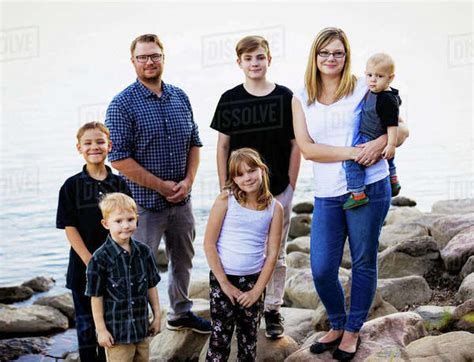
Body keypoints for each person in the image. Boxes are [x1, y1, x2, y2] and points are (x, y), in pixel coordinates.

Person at [292, 28, 409, 361]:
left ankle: (354, 328)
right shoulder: (300, 96)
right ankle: (338, 322)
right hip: (329, 193)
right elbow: (307, 149)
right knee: (322, 267)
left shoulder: (364, 86)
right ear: (315, 56)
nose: (331, 58)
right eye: (325, 52)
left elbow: (403, 129)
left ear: (347, 56)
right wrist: (353, 152)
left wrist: (379, 144)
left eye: (338, 53)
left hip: (370, 186)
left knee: (363, 260)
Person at [105, 34, 211, 333]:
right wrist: (162, 186)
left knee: (183, 261)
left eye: (155, 56)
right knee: (138, 266)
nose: (149, 62)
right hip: (144, 206)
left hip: (182, 201)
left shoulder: (180, 96)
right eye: (143, 57)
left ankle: (180, 312)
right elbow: (119, 158)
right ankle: (137, 321)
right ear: (133, 62)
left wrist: (188, 181)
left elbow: (195, 143)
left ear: (163, 57)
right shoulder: (121, 104)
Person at [210, 35, 300, 339]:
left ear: (269, 60)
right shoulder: (230, 99)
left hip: (276, 191)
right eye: (248, 59)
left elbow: (295, 144)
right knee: (235, 247)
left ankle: (272, 309)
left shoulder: (285, 97)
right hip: (237, 193)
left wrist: (290, 186)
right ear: (239, 63)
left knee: (277, 252)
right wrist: (225, 187)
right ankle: (234, 302)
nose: (255, 63)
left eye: (260, 57)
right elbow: (222, 147)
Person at [56, 122, 131, 362]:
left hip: (116, 271)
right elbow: (70, 228)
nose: (94, 147)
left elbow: (127, 224)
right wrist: (91, 261)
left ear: (109, 146)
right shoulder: (71, 186)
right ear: (79, 148)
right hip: (83, 271)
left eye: (100, 142)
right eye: (88, 143)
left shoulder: (119, 184)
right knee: (87, 328)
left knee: (113, 328)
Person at [203, 148, 283, 361]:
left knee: (248, 340)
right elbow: (209, 244)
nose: (247, 178)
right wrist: (224, 283)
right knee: (220, 340)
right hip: (223, 280)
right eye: (239, 174)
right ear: (233, 178)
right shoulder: (225, 200)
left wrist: (257, 291)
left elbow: (273, 253)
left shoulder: (275, 208)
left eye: (251, 170)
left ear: (261, 169)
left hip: (253, 281)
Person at [86, 193, 161, 362]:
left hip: (141, 330)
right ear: (106, 224)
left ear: (137, 219)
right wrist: (101, 330)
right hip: (117, 335)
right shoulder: (99, 259)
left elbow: (151, 285)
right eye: (118, 221)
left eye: (130, 219)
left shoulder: (144, 252)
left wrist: (157, 316)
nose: (126, 225)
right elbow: (96, 297)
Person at [343, 53, 402, 209]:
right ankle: (393, 180)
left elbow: (393, 124)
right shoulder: (376, 91)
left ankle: (358, 194)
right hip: (371, 132)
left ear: (390, 78)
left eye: (379, 76)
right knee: (388, 158)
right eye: (369, 75)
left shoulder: (386, 99)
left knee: (352, 160)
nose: (373, 80)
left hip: (370, 136)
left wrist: (391, 144)